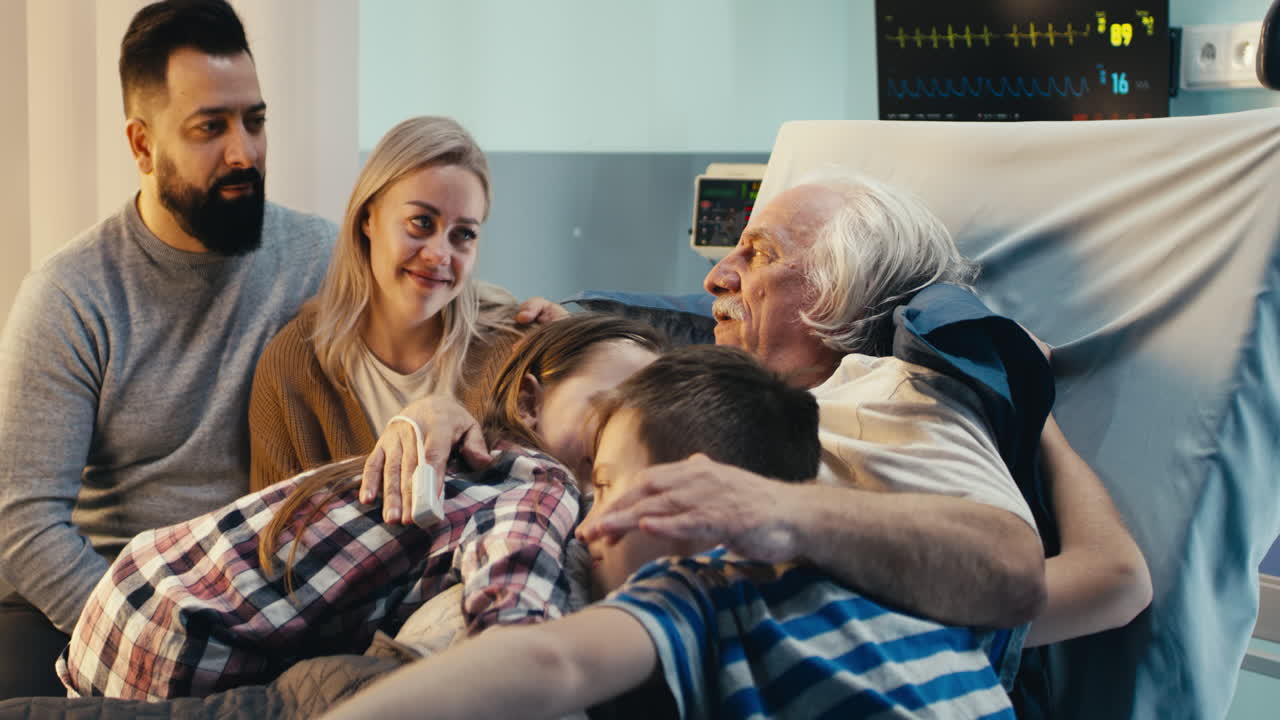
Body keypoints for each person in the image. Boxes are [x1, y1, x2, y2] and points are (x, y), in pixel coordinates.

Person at [579, 173, 1151, 647]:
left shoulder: (886, 396)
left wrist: (1030, 407)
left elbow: (1095, 579)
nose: (715, 277)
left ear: (845, 288)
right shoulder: (700, 394)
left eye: (760, 253)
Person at [320, 345, 1019, 720]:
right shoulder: (902, 581)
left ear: (692, 490)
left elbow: (548, 664)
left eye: (605, 485)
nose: (585, 527)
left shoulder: (703, 589)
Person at [0, 0, 337, 699]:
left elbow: (437, 308)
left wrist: (524, 320)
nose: (244, 152)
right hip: (116, 605)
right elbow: (24, 521)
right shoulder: (71, 296)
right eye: (210, 127)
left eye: (254, 121)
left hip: (271, 608)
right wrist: (150, 642)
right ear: (143, 145)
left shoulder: (318, 257)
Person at [57, 313, 665, 699]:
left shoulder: (469, 457)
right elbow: (512, 613)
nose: (627, 432)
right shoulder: (540, 480)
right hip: (181, 640)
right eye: (612, 407)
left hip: (133, 596)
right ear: (529, 404)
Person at [247, 114, 565, 500]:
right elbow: (272, 530)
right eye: (421, 222)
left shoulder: (515, 347)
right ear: (368, 218)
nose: (439, 254)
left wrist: (577, 349)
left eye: (464, 234)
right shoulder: (293, 368)